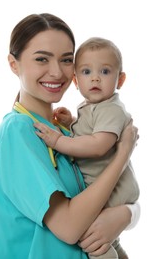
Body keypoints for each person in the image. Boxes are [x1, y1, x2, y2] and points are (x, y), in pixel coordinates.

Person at [0, 14, 139, 259]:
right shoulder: (18, 132)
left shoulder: (65, 131)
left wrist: (131, 213)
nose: (57, 72)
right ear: (13, 64)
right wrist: (123, 155)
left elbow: (102, 199)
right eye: (41, 59)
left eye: (67, 60)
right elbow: (70, 228)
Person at [34, 37, 140, 259]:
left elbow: (99, 145)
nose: (95, 78)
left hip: (114, 190)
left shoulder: (110, 109)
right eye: (86, 72)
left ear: (120, 79)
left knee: (91, 240)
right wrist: (70, 122)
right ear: (75, 80)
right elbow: (90, 134)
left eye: (104, 72)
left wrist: (59, 141)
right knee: (109, 240)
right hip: (109, 188)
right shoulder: (92, 108)